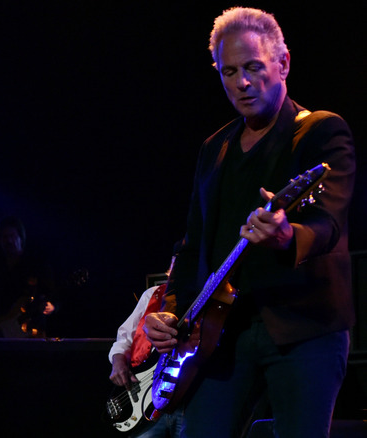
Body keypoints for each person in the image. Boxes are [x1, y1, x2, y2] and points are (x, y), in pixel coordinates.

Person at [143, 7, 355, 438]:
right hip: (223, 334)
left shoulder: (319, 131)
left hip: (304, 329)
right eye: (229, 71)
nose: (241, 82)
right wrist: (170, 313)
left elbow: (327, 221)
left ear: (284, 63)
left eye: (254, 67)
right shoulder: (214, 148)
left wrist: (285, 237)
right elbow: (194, 244)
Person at [108, 249, 183, 438]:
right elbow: (125, 336)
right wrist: (118, 362)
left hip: (187, 399)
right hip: (144, 397)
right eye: (176, 264)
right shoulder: (153, 294)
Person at [0, 216, 56, 337]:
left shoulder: (36, 264)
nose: (9, 241)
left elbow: (50, 293)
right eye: (5, 237)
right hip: (2, 332)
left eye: (12, 236)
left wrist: (53, 306)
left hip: (30, 330)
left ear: (21, 237)